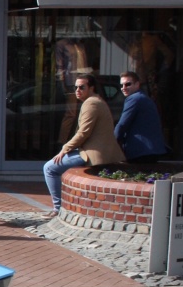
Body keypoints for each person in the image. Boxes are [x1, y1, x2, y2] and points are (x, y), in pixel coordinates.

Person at [42, 74, 124, 215]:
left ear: (91, 88)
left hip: (93, 153)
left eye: (82, 87)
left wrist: (64, 149)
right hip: (93, 150)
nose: (77, 90)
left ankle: (58, 208)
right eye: (75, 87)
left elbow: (83, 132)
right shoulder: (95, 101)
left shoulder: (91, 103)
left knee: (50, 168)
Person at [114, 71, 168, 163]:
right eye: (121, 85)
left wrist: (112, 142)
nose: (124, 88)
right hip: (149, 150)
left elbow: (122, 124)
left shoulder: (134, 98)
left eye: (128, 84)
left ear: (137, 84)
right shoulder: (143, 97)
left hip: (141, 151)